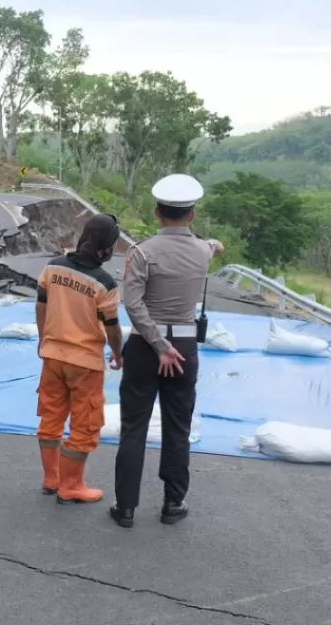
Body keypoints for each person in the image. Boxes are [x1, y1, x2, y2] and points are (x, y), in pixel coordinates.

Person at [110, 174, 224, 528]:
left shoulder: (142, 252)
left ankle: (126, 507)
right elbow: (213, 247)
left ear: (157, 213)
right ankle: (173, 503)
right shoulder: (203, 251)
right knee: (178, 426)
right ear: (191, 216)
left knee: (134, 427)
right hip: (186, 349)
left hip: (147, 348)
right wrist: (216, 244)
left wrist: (159, 345)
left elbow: (133, 303)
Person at [36, 213, 124, 505]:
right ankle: (71, 485)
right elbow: (112, 327)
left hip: (52, 356)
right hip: (85, 363)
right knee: (85, 425)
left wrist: (43, 339)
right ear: (105, 247)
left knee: (51, 417)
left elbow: (41, 305)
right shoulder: (104, 283)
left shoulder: (53, 268)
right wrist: (119, 354)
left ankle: (51, 478)